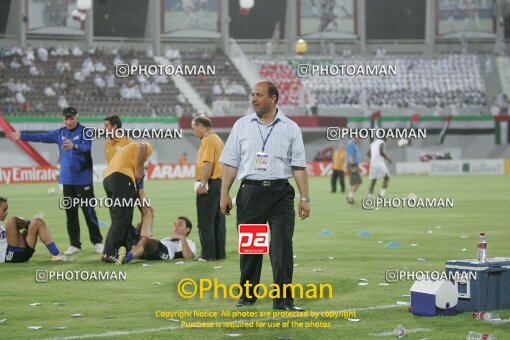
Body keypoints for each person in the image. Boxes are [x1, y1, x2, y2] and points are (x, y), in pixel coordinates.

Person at [219, 81, 310, 311]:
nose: (254, 99)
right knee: (251, 250)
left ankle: (283, 301)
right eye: (252, 95)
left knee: (281, 248)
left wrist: (305, 198)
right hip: (250, 193)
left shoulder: (291, 128)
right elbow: (230, 162)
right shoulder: (241, 125)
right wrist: (224, 194)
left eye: (259, 95)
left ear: (273, 98)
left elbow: (298, 166)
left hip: (281, 194)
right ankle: (247, 297)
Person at [6, 107, 103, 255]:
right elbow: (42, 136)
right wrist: (21, 136)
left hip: (83, 180)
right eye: (66, 119)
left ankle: (97, 242)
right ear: (63, 119)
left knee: (89, 212)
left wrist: (74, 146)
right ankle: (75, 244)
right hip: (67, 181)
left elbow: (86, 147)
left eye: (71, 118)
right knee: (71, 213)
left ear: (77, 117)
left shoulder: (86, 131)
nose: (69, 121)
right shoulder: (59, 133)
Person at [103, 115, 154, 245]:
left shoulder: (127, 143)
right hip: (114, 183)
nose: (104, 128)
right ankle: (132, 242)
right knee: (117, 217)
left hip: (130, 183)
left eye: (106, 125)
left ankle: (143, 242)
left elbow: (140, 165)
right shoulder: (107, 146)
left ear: (115, 127)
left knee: (142, 211)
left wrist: (141, 189)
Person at [102, 141, 152, 263]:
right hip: (121, 178)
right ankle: (108, 253)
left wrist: (143, 201)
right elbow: (141, 146)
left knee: (122, 218)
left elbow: (140, 190)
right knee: (122, 218)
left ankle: (123, 249)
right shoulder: (144, 147)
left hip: (108, 180)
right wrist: (140, 168)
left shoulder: (129, 157)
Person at [192, 115, 226, 261]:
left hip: (210, 184)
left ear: (201, 126)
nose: (194, 132)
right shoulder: (217, 139)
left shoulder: (207, 139)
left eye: (194, 128)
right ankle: (218, 254)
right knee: (218, 221)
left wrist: (203, 184)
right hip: (219, 183)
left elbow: (208, 164)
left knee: (205, 221)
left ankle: (207, 255)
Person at [0, 197, 72, 263]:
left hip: (19, 252)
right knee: (12, 221)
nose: (7, 213)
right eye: (4, 210)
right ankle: (29, 222)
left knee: (37, 222)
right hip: (9, 256)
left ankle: (57, 255)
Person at [117, 216, 196, 264]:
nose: (176, 226)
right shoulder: (167, 238)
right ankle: (112, 253)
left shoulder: (190, 243)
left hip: (165, 252)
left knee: (145, 240)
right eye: (175, 224)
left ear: (187, 229)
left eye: (180, 225)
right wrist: (138, 234)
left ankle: (126, 258)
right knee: (128, 229)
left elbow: (188, 256)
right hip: (155, 250)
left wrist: (182, 238)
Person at [346, 137, 362, 204]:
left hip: (354, 165)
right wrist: (353, 166)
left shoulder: (353, 144)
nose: (360, 140)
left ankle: (349, 196)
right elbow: (351, 155)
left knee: (358, 182)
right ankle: (350, 198)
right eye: (359, 138)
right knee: (355, 183)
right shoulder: (352, 144)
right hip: (352, 165)